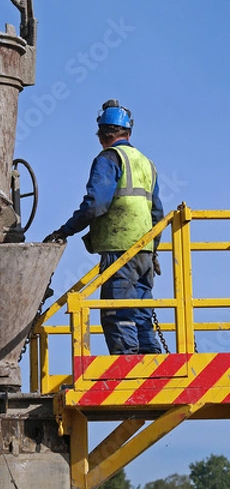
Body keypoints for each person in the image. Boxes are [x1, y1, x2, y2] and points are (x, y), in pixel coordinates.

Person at [43, 99, 164, 355]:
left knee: (117, 312)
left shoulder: (109, 158)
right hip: (144, 250)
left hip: (119, 250)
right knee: (142, 313)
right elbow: (157, 212)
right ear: (128, 132)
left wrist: (65, 230)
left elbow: (95, 204)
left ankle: (127, 369)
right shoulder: (146, 162)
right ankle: (155, 369)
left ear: (101, 135)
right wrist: (153, 249)